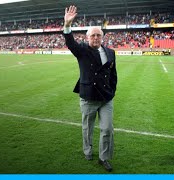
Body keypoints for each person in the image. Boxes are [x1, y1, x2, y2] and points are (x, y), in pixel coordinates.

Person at [63, 5, 117, 172]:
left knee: (107, 129)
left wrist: (112, 91)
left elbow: (113, 74)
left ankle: (104, 158)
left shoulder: (110, 52)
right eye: (92, 35)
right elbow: (70, 42)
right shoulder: (82, 51)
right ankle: (88, 150)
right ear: (87, 37)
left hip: (106, 98)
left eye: (98, 35)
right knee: (88, 129)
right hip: (88, 97)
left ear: (102, 37)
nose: (95, 37)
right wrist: (67, 25)